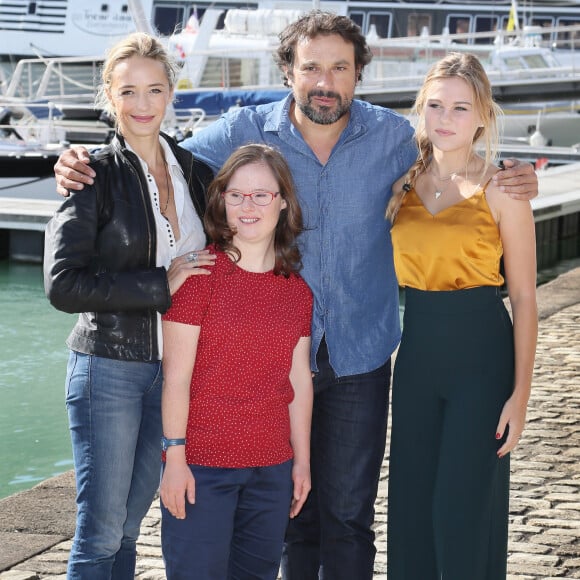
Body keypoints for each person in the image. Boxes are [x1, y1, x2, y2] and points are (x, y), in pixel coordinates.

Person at [52, 11, 539, 579]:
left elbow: (459, 156)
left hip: (361, 356)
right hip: (274, 362)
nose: (325, 82)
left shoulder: (395, 137)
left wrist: (512, 174)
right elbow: (161, 147)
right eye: (311, 67)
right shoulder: (244, 129)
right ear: (289, 71)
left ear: (359, 75)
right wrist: (81, 158)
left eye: (340, 68)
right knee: (287, 516)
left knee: (349, 517)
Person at [43, 32, 216, 579]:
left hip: (173, 374)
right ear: (110, 96)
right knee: (98, 532)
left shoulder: (195, 173)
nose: (143, 105)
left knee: (127, 526)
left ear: (171, 94)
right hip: (110, 368)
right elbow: (63, 284)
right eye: (129, 92)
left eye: (155, 90)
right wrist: (159, 283)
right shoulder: (92, 173)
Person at [385, 52, 538, 580]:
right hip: (418, 355)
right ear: (421, 110)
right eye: (434, 106)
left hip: (482, 358)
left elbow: (523, 297)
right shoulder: (399, 182)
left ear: (482, 117)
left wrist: (520, 395)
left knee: (462, 510)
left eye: (459, 107)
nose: (445, 118)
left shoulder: (504, 189)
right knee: (410, 508)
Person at [159, 143, 313, 579]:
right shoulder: (198, 278)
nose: (248, 206)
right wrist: (174, 458)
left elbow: (298, 382)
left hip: (272, 469)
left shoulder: (297, 292)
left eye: (261, 194)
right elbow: (176, 379)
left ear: (283, 202)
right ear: (220, 200)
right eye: (236, 195)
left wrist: (300, 462)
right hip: (202, 468)